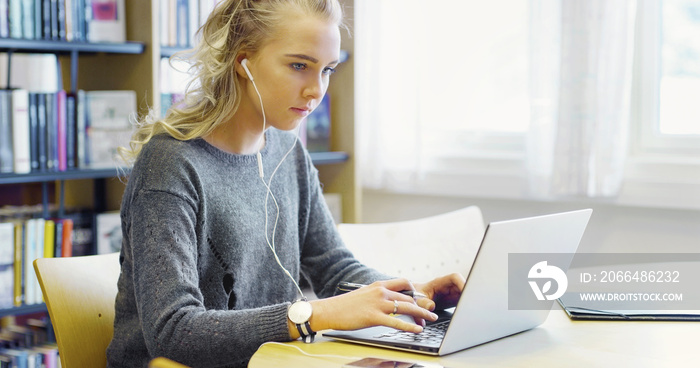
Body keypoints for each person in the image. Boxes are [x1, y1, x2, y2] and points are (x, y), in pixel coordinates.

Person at [106, 0, 465, 367]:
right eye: (299, 66)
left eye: (327, 69)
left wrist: (407, 294)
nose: (316, 90)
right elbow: (173, 333)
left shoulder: (287, 151)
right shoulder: (170, 166)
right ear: (242, 61)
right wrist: (312, 314)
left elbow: (335, 269)